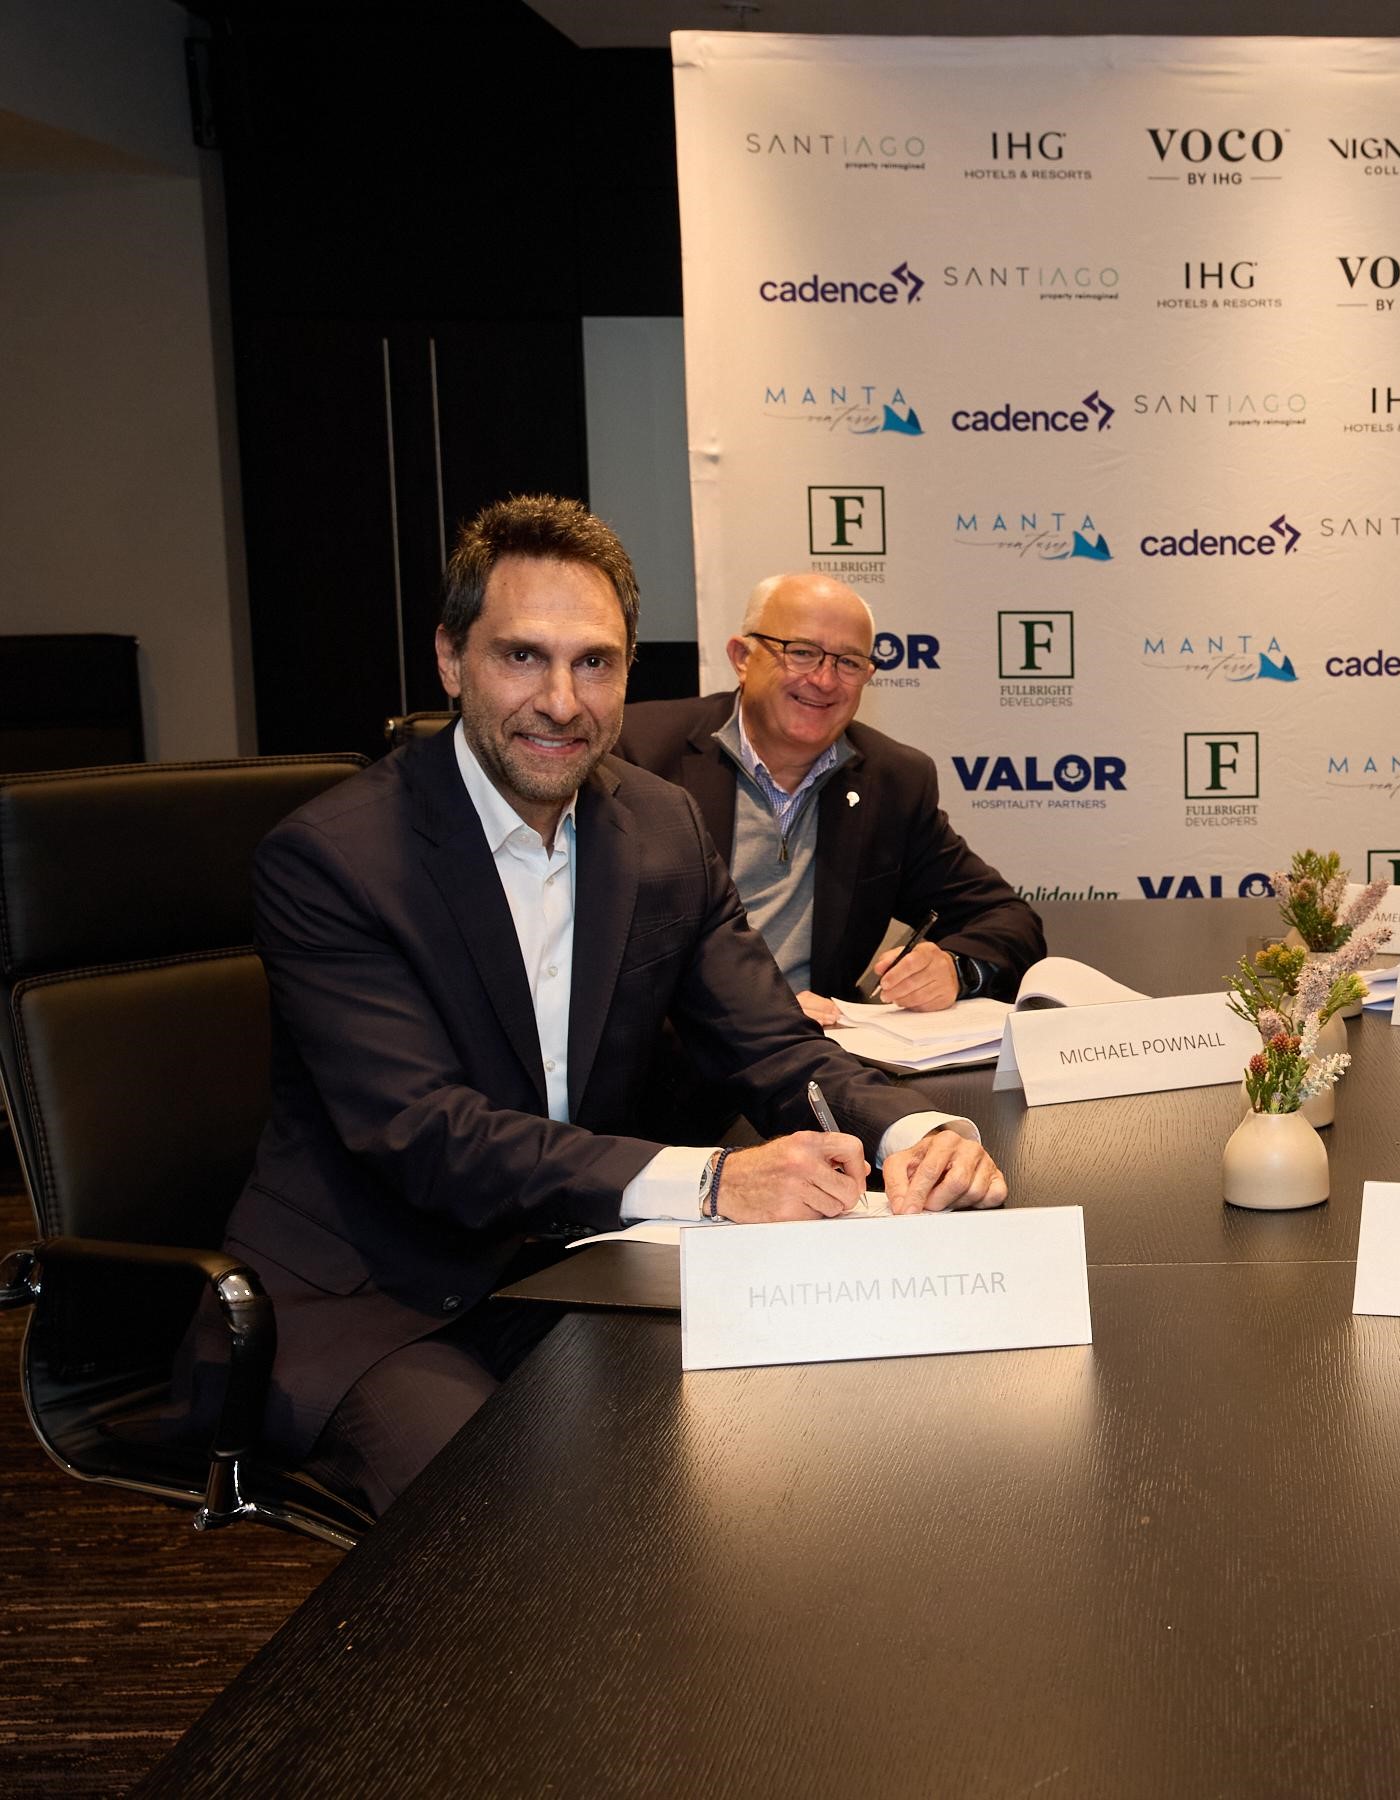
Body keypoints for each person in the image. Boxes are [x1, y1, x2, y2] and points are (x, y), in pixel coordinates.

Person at [220, 496, 1010, 1514]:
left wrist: (914, 1133)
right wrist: (714, 1180)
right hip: (381, 1293)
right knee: (518, 1518)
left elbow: (771, 1045)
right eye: (523, 657)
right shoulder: (334, 858)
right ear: (452, 660)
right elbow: (428, 1136)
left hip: (580, 1261)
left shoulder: (660, 826)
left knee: (804, 1438)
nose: (562, 702)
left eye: (594, 662)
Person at [616, 573, 1044, 1024]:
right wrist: (751, 1012)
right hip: (674, 1050)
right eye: (801, 653)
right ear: (743, 657)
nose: (824, 680)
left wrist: (956, 969)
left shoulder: (892, 781)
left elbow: (1007, 918)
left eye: (849, 663)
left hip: (821, 1050)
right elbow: (594, 946)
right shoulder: (639, 755)